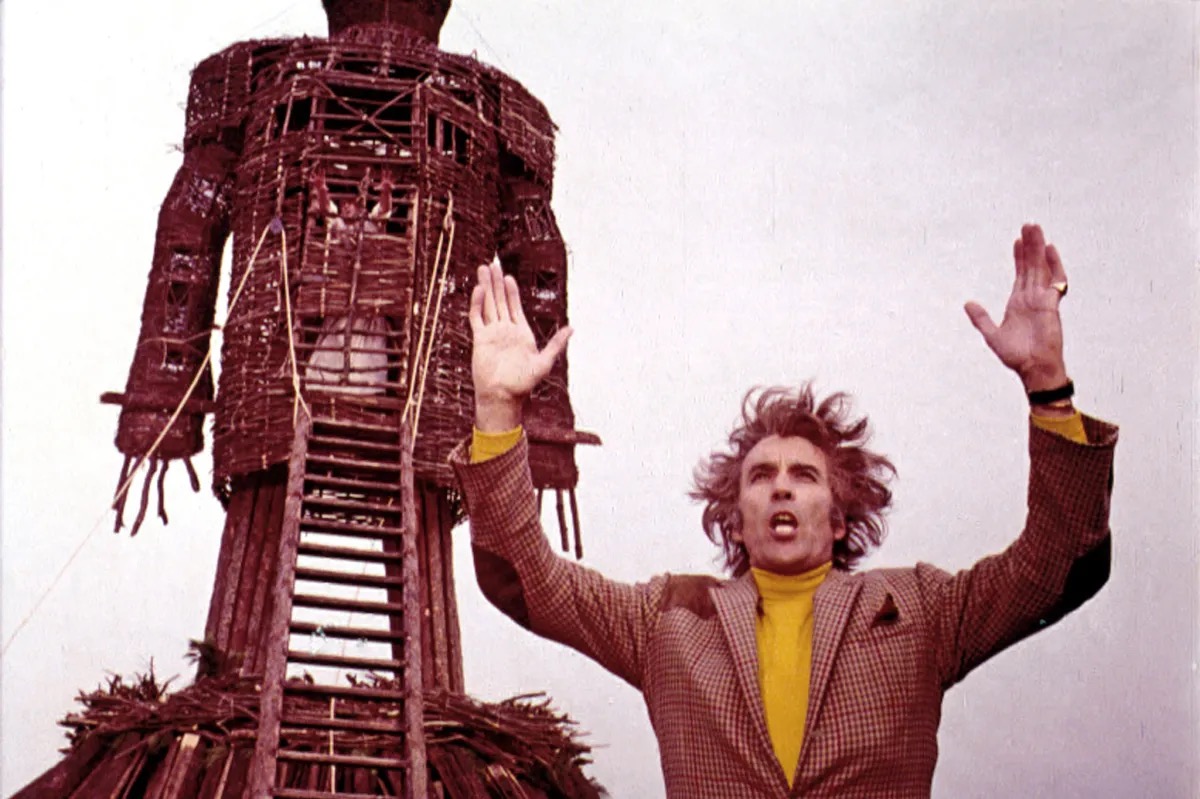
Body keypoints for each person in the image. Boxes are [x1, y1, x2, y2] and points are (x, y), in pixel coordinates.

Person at [449, 223, 1117, 798]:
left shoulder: (923, 611)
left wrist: (1047, 387)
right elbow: (522, 576)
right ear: (734, 519)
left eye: (805, 475)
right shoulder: (666, 621)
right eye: (761, 476)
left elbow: (1060, 564)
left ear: (840, 517)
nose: (782, 487)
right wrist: (499, 408)